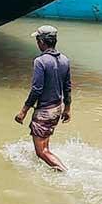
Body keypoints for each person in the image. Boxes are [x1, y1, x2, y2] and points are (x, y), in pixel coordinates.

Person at [14, 25, 72, 171]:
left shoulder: (40, 61)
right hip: (57, 109)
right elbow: (67, 87)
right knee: (45, 146)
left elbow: (36, 89)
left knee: (42, 152)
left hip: (45, 111)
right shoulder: (65, 60)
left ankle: (65, 172)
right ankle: (56, 168)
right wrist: (68, 109)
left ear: (41, 42)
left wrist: (23, 111)